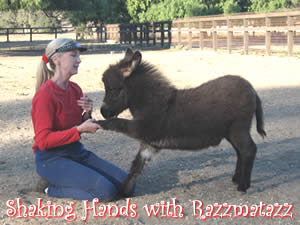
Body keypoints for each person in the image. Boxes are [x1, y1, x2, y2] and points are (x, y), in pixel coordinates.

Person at [31, 38, 134, 201]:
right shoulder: (45, 95)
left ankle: (72, 178)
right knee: (105, 193)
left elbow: (75, 127)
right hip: (51, 160)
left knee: (127, 186)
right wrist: (79, 130)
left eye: (79, 55)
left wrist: (86, 115)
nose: (79, 60)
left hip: (76, 152)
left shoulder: (75, 89)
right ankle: (49, 187)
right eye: (73, 55)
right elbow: (43, 141)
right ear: (56, 59)